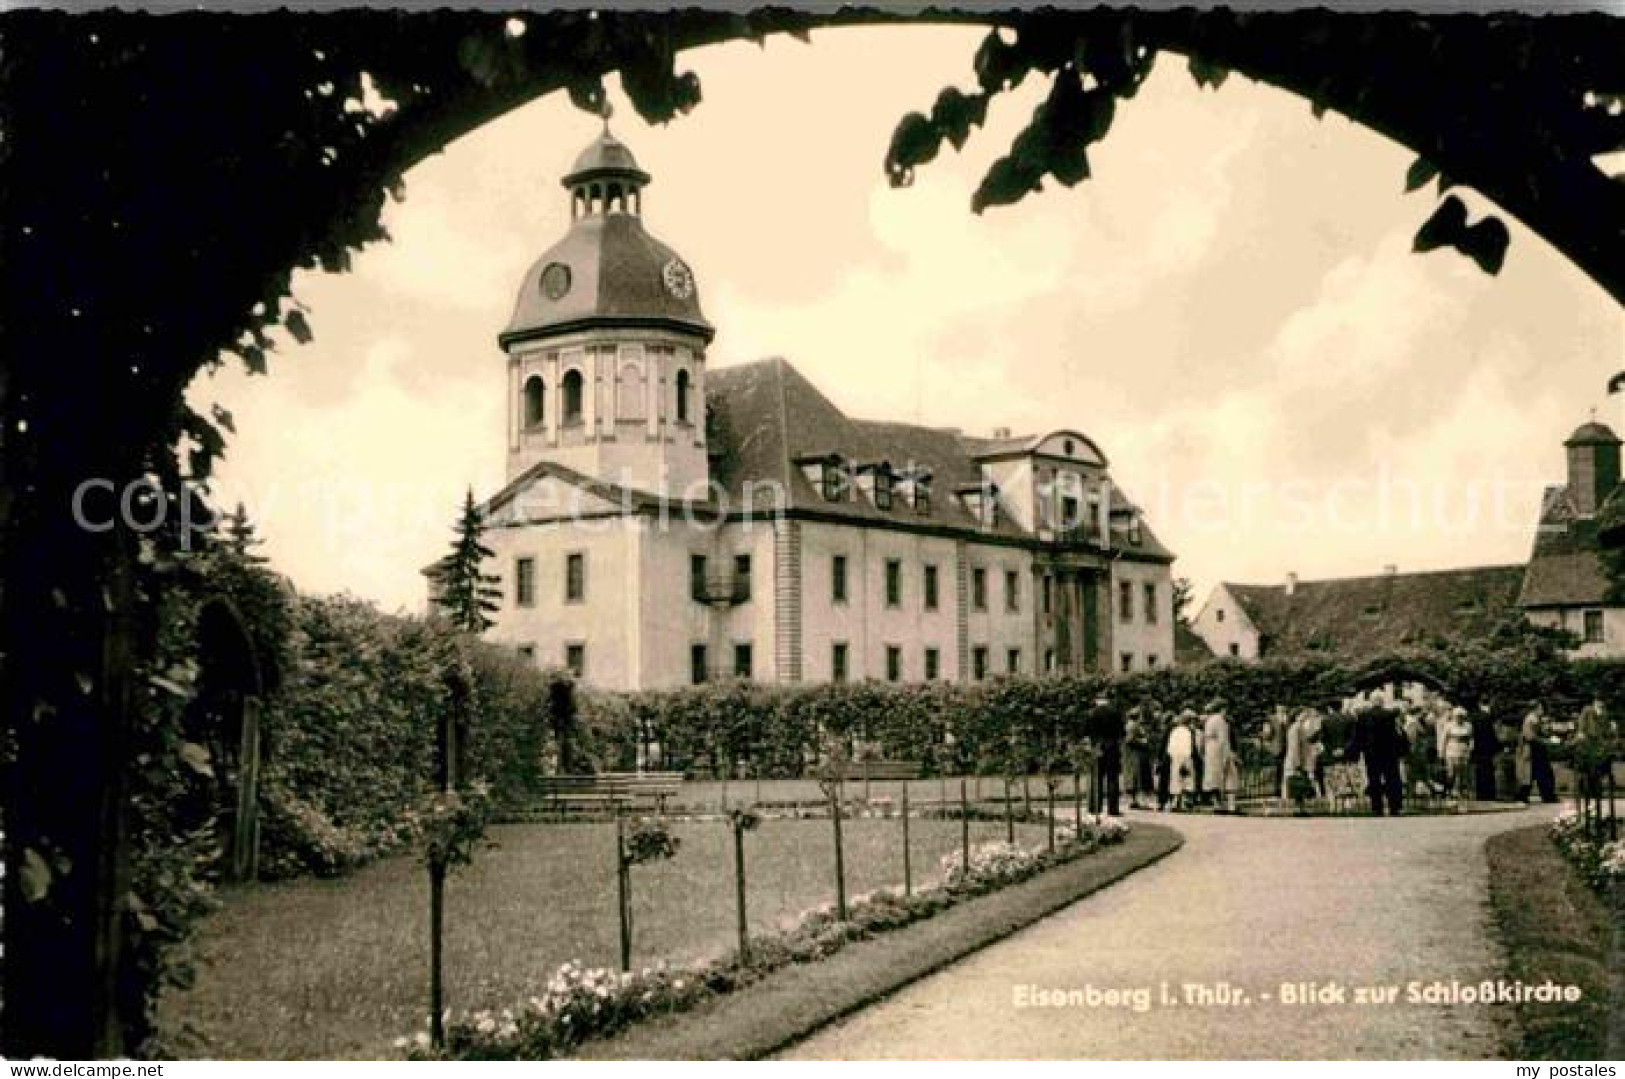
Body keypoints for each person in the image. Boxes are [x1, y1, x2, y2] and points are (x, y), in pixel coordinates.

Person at [1347, 701, 1406, 816]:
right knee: (1392, 779)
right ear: (1382, 703)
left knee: (1374, 779)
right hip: (1389, 752)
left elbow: (1358, 736)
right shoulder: (1390, 715)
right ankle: (1394, 807)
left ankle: (1377, 808)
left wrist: (1356, 751)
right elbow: (1397, 734)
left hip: (1371, 753)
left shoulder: (1363, 716)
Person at [1090, 695, 1125, 817]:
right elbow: (1122, 732)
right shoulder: (1115, 712)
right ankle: (1113, 809)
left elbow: (1087, 731)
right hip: (1112, 746)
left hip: (1097, 747)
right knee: (1112, 778)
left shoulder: (1092, 713)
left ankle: (1095, 807)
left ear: (1097, 701)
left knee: (1096, 777)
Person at [1201, 700, 1238, 813]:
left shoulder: (1209, 720)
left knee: (1213, 779)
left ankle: (1217, 805)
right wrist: (1228, 755)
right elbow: (1223, 740)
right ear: (1223, 709)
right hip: (1218, 750)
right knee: (1231, 776)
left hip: (1210, 750)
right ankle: (1231, 806)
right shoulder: (1220, 720)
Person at [1517, 703, 1558, 804]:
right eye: (1541, 709)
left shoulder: (1534, 719)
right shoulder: (1531, 719)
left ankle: (1546, 795)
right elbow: (1530, 736)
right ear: (1536, 709)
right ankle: (1546, 796)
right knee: (1538, 773)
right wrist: (1547, 741)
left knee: (1538, 774)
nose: (1542, 711)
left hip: (1535, 749)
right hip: (1533, 750)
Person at [1123, 707, 1154, 810]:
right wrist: (1142, 742)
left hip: (1134, 755)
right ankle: (1138, 801)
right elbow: (1130, 740)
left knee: (1135, 778)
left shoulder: (1131, 725)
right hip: (1136, 755)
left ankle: (1134, 801)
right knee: (1138, 778)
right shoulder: (1133, 726)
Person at [1166, 710, 1197, 811]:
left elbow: (1170, 747)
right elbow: (1188, 747)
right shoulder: (1187, 732)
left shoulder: (1174, 731)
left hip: (1175, 758)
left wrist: (1172, 756)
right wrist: (1186, 759)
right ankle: (1183, 803)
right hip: (1185, 757)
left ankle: (1175, 802)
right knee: (1186, 780)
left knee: (1175, 780)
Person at [1443, 706, 1474, 800]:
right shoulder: (1449, 725)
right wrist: (1442, 751)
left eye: (1461, 716)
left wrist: (1471, 748)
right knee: (1451, 772)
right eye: (1457, 716)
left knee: (1462, 773)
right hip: (1452, 750)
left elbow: (1471, 738)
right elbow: (1444, 739)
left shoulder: (1468, 725)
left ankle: (1460, 791)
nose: (1459, 718)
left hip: (1463, 750)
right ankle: (1449, 790)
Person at [1470, 706, 1500, 801]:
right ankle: (1489, 793)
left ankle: (1481, 794)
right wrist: (1496, 746)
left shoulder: (1472, 718)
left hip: (1477, 747)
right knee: (1488, 771)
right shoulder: (1486, 718)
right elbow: (1492, 734)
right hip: (1487, 747)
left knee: (1479, 771)